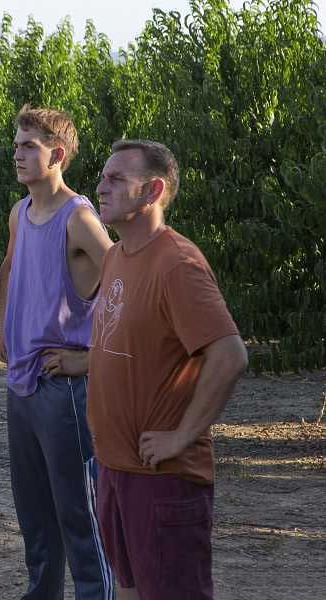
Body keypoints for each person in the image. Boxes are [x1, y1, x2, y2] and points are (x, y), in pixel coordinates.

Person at [89, 139, 248, 600]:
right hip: (115, 469)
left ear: (153, 190)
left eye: (117, 179)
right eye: (103, 175)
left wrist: (182, 435)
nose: (101, 186)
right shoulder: (117, 255)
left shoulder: (177, 263)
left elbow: (230, 354)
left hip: (164, 481)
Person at [0, 106, 114, 600]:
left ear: (58, 155)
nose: (18, 154)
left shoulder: (80, 218)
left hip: (64, 386)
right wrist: (4, 328)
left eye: (30, 147)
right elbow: (7, 267)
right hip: (22, 382)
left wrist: (90, 359)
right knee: (34, 512)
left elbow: (128, 289)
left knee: (78, 513)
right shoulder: (19, 212)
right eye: (17, 144)